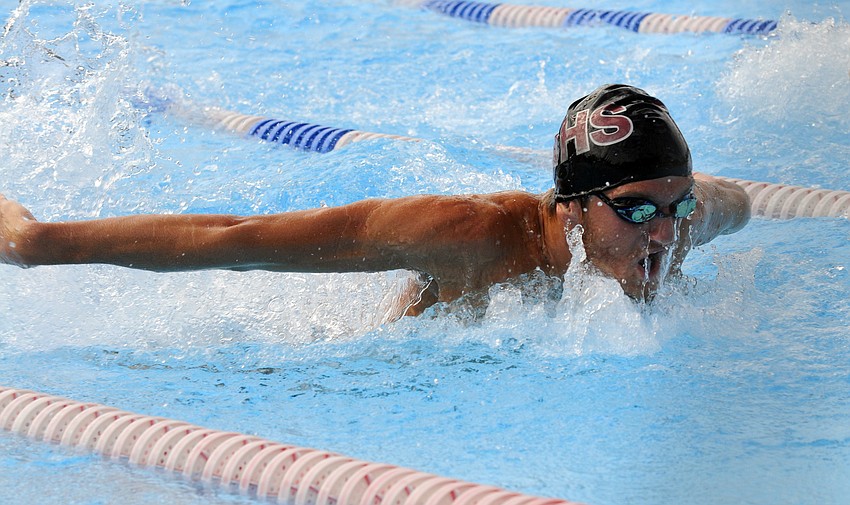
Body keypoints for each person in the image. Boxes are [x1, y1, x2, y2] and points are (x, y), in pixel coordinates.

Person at [0, 84, 750, 317]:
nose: (661, 237)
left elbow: (732, 199)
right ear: (572, 204)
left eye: (675, 208)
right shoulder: (469, 234)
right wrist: (40, 241)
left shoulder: (679, 225)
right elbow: (240, 238)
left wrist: (688, 204)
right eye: (636, 210)